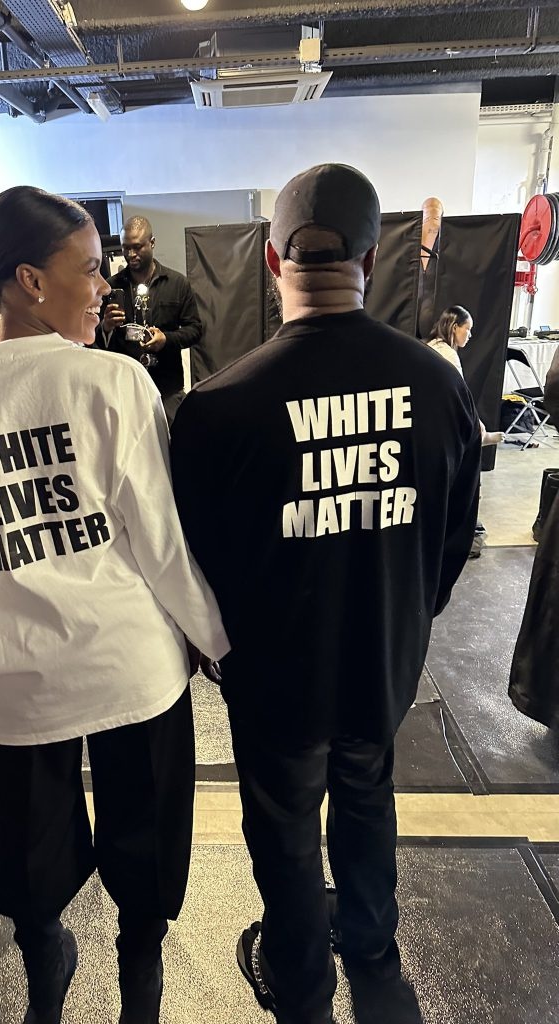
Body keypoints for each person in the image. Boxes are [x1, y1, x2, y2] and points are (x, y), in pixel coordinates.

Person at [0, 186, 228, 1024]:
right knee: (146, 844)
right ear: (28, 281)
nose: (104, 286)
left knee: (31, 857)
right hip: (131, 668)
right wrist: (216, 640)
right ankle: (139, 984)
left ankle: (45, 976)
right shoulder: (115, 382)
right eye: (88, 270)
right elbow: (160, 541)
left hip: (14, 679)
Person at [170, 164, 482, 1024]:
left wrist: (228, 651)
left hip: (275, 679)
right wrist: (406, 617)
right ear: (375, 259)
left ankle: (302, 985)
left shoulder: (214, 407)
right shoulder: (439, 384)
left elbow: (190, 565)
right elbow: (455, 537)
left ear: (273, 262)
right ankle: (373, 954)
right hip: (382, 660)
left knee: (282, 830)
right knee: (367, 797)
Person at [97, 216, 202, 424]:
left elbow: (195, 330)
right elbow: (93, 340)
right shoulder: (110, 287)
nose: (130, 254)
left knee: (174, 448)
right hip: (125, 390)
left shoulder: (177, 284)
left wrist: (167, 340)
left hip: (167, 389)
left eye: (137, 247)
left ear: (152, 243)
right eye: (125, 248)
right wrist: (106, 327)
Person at [426, 306, 504, 447]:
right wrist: (479, 426)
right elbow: (461, 393)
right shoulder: (448, 354)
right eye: (468, 329)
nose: (470, 335)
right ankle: (479, 435)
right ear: (455, 327)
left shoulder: (432, 345)